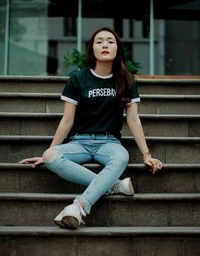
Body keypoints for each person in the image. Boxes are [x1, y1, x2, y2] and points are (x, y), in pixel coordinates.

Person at [19, 27, 163, 229]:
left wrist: (146, 154)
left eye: (110, 41)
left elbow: (133, 119)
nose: (105, 45)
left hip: (109, 143)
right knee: (51, 156)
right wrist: (49, 151)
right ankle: (113, 185)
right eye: (99, 41)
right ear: (92, 49)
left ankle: (78, 206)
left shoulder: (127, 80)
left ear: (117, 49)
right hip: (79, 141)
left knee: (121, 157)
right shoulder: (78, 78)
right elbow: (67, 120)